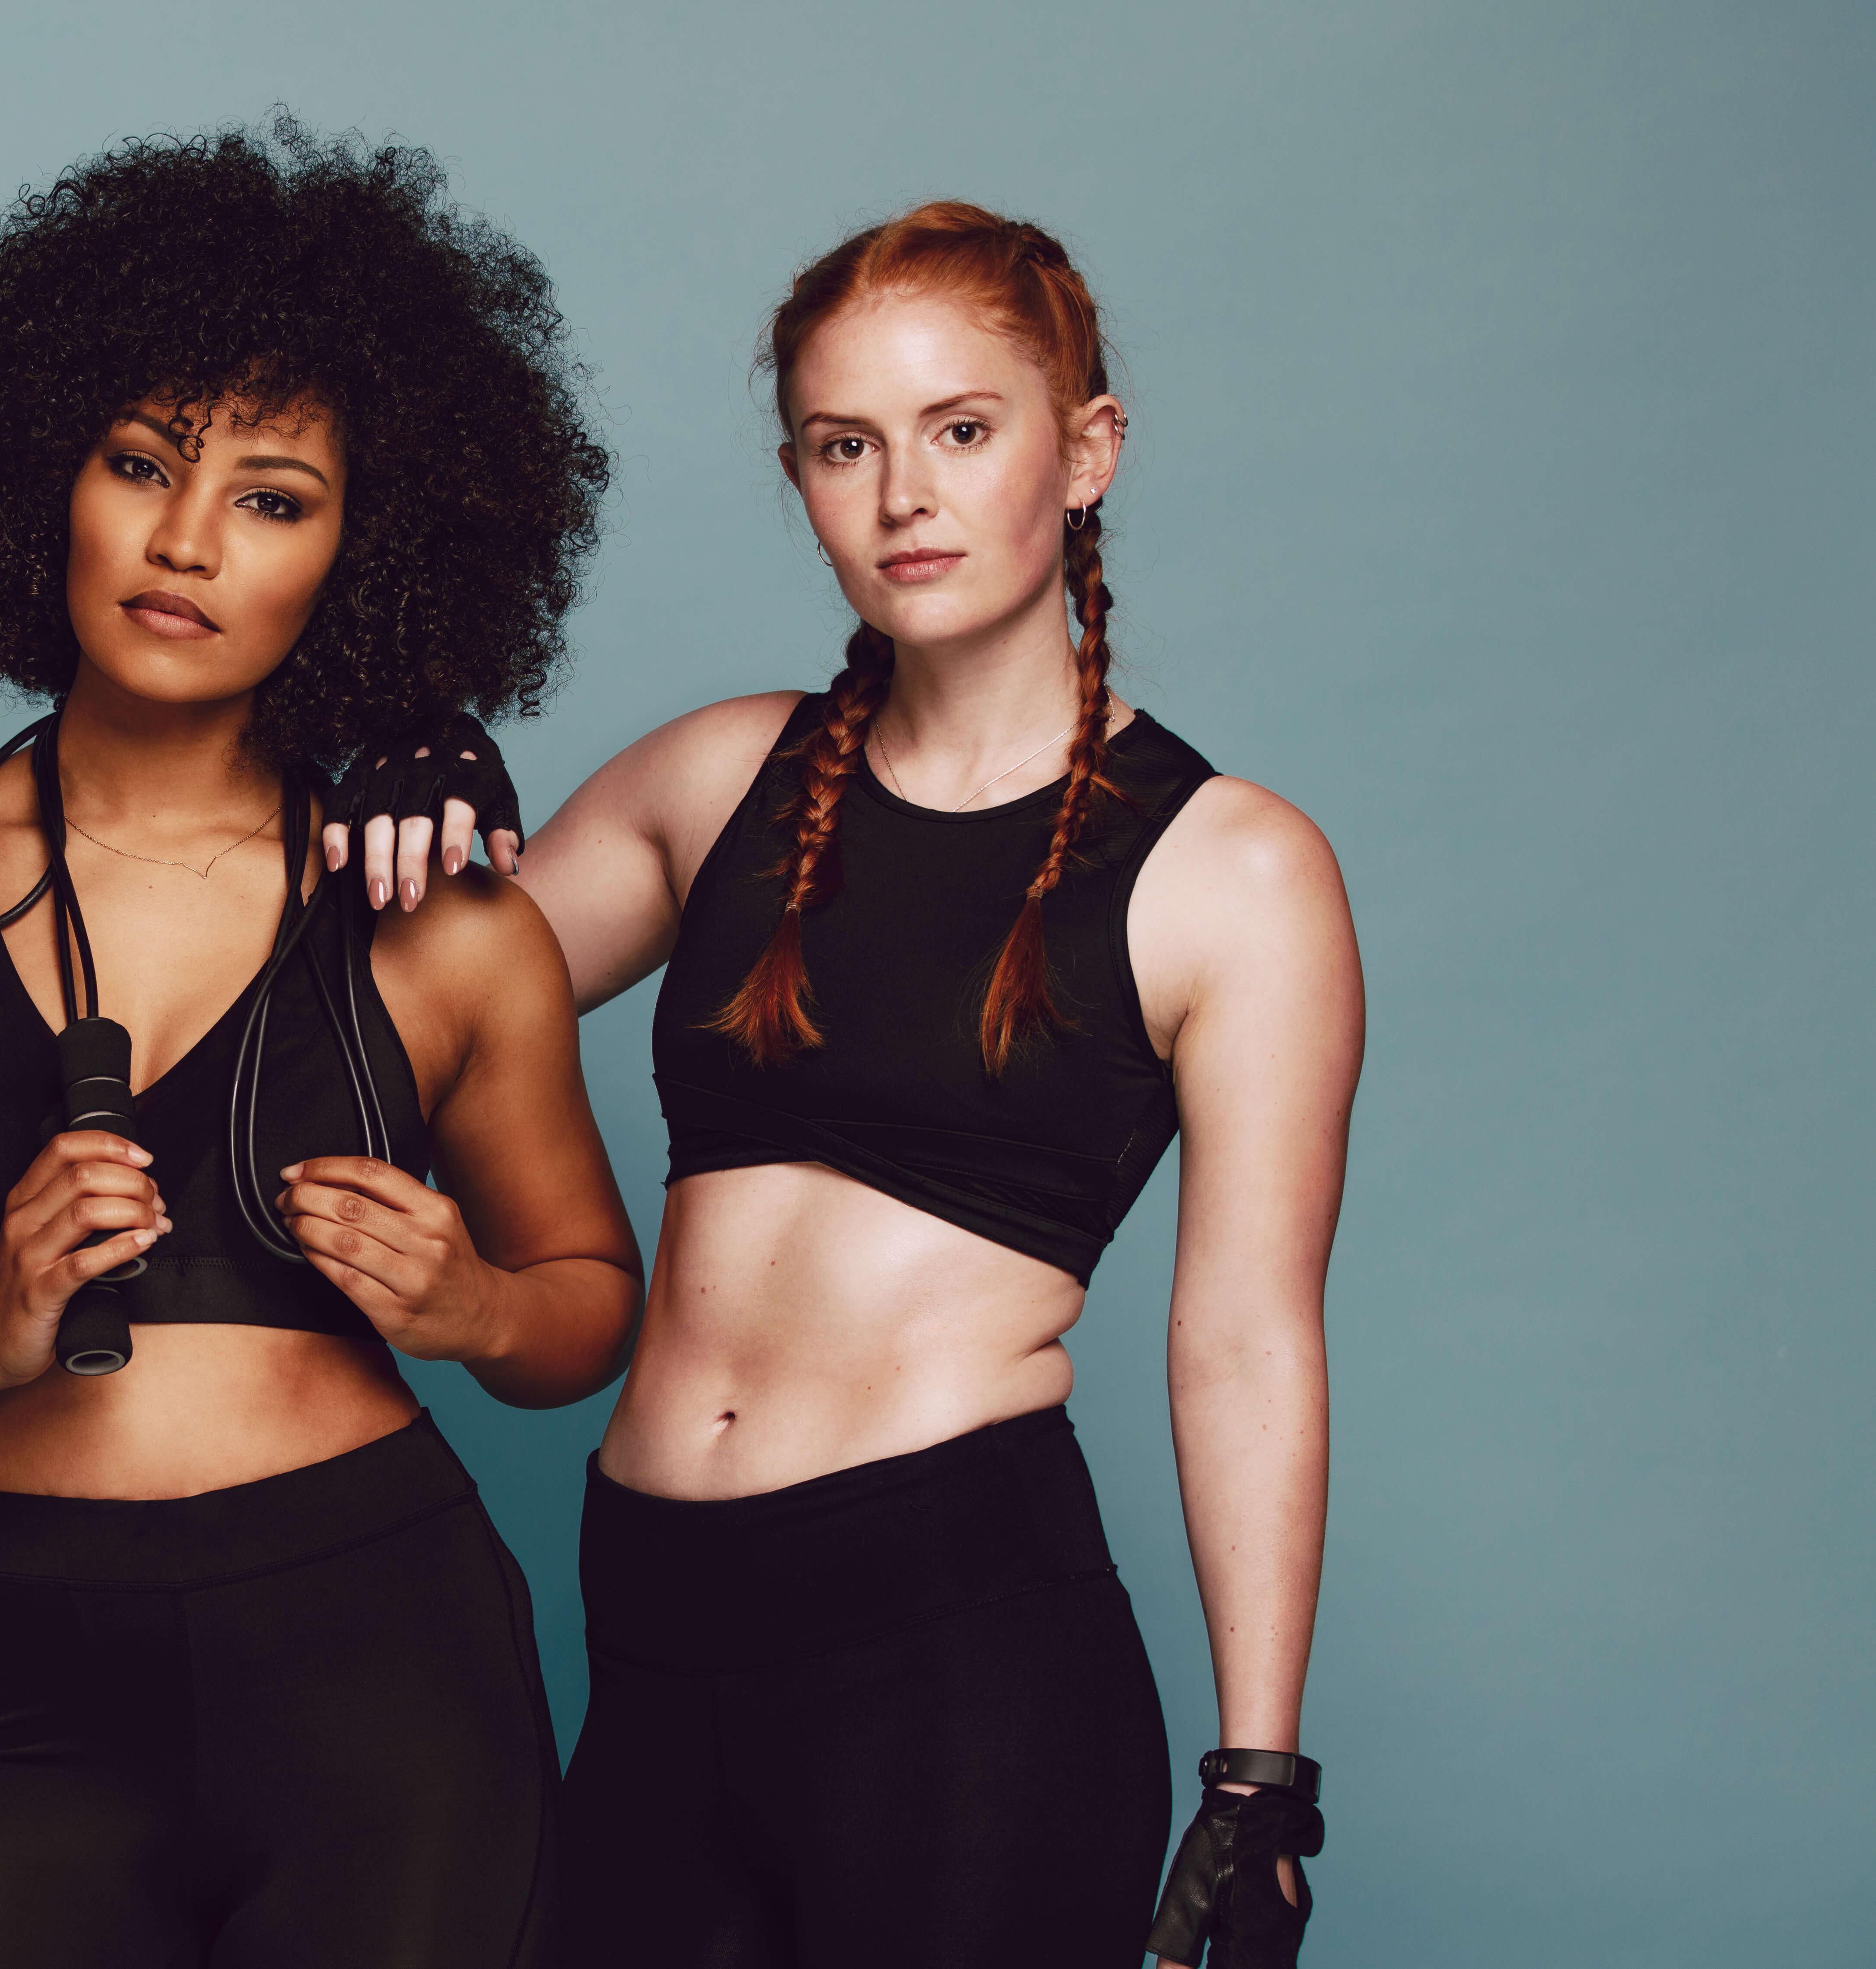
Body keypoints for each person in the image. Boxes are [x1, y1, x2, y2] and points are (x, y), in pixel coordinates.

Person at [0, 123, 642, 1969]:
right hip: (24, 1679)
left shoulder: (449, 921)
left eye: (276, 498)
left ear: (365, 553)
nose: (188, 540)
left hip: (387, 1662)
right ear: (39, 472)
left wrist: (471, 1307)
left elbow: (594, 1300)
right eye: (141, 463)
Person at [435, 202, 1356, 1966]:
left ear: (1087, 452)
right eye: (846, 447)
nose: (903, 496)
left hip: (955, 1650)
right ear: (799, 476)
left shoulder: (1230, 870)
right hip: (648, 1627)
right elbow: (397, 1026)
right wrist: (407, 752)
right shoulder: (718, 777)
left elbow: (1247, 1332)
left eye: (962, 428)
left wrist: (1259, 1784)